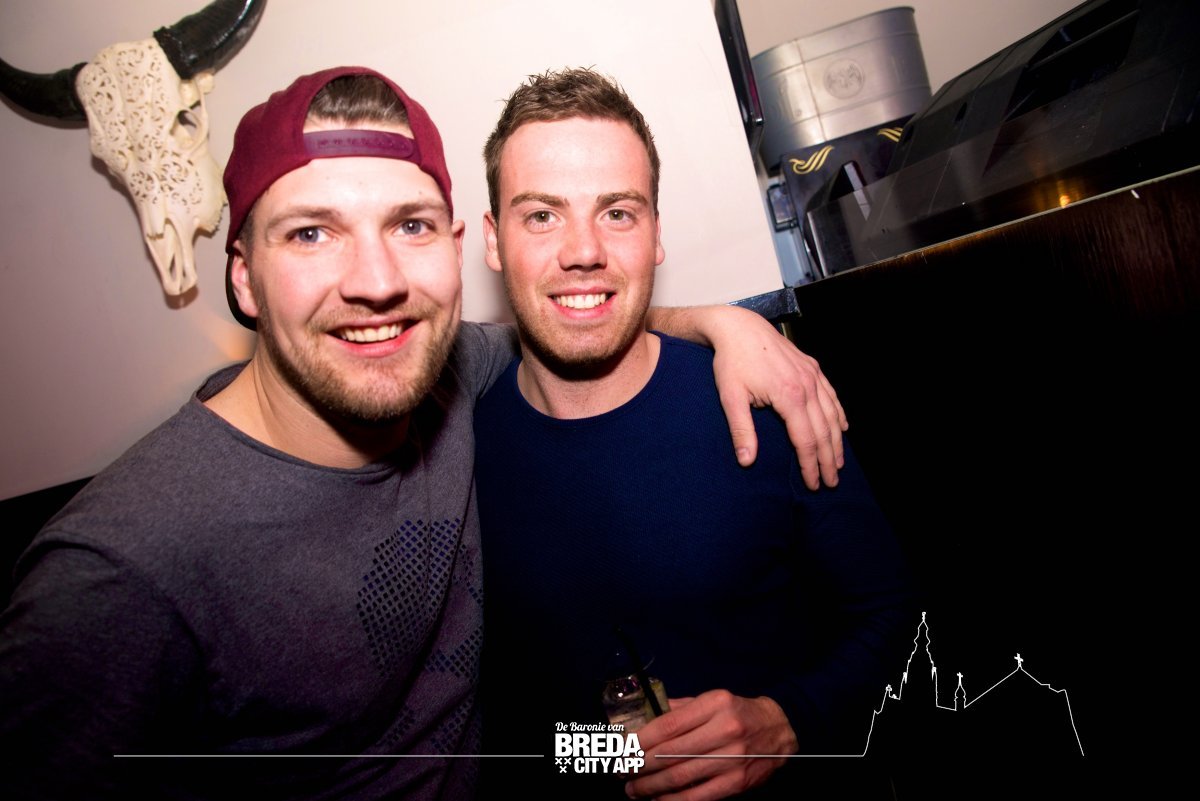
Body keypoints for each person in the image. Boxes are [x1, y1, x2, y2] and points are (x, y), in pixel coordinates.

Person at [0, 67, 849, 800]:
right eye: (311, 232)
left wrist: (729, 324)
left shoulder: (453, 375)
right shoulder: (116, 575)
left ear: (454, 247)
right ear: (244, 278)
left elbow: (576, 308)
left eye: (409, 225)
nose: (377, 282)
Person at [473, 68, 914, 799]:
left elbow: (896, 617)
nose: (583, 250)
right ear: (494, 241)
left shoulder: (764, 397)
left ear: (656, 233)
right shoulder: (464, 459)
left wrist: (788, 720)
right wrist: (611, 759)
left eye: (618, 212)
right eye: (542, 215)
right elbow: (510, 726)